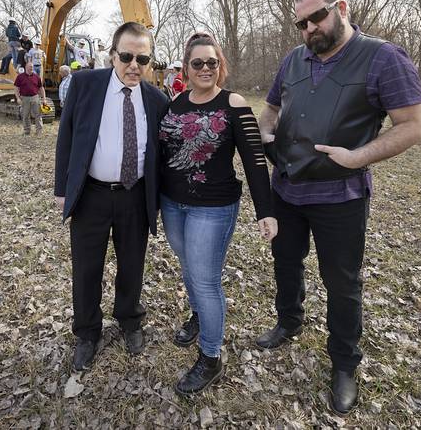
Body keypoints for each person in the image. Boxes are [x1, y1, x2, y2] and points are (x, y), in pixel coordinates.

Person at [257, 0, 421, 414]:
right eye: (301, 22)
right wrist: (264, 133)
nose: (310, 28)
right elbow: (272, 107)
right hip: (287, 190)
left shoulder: (382, 57)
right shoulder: (294, 59)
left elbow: (414, 124)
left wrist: (358, 157)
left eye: (317, 16)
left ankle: (344, 363)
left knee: (342, 282)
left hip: (341, 196)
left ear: (342, 8)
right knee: (286, 264)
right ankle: (289, 321)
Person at [159, 32, 277, 395]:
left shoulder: (234, 103)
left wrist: (266, 211)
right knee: (187, 266)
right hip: (172, 204)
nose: (206, 68)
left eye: (212, 62)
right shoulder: (176, 102)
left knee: (206, 279)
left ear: (219, 65)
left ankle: (211, 358)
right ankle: (197, 315)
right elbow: (162, 153)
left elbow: (255, 161)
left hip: (213, 208)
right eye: (198, 63)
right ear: (187, 68)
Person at [54, 21, 169, 372]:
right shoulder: (86, 85)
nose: (135, 65)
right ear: (112, 55)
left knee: (132, 265)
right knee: (87, 268)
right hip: (92, 195)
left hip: (135, 196)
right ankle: (87, 332)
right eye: (127, 56)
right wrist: (62, 188)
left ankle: (130, 320)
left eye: (143, 58)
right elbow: (67, 137)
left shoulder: (157, 99)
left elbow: (162, 154)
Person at [14, 60, 45, 136]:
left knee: (38, 115)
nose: (31, 68)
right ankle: (27, 131)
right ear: (26, 67)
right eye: (29, 67)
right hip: (24, 98)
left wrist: (44, 98)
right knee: (25, 115)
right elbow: (16, 88)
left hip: (35, 97)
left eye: (32, 67)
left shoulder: (36, 77)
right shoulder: (20, 77)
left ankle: (39, 131)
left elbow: (41, 88)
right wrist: (17, 98)